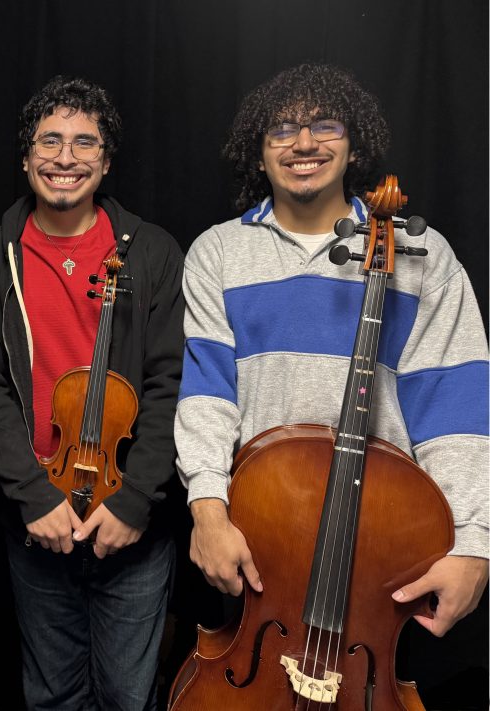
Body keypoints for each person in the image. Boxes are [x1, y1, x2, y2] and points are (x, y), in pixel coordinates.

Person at [177, 62, 488, 637]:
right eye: (282, 129)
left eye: (325, 126)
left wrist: (473, 543)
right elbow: (208, 393)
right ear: (258, 148)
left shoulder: (422, 254)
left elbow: (455, 404)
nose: (303, 143)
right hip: (257, 532)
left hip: (386, 539)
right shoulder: (217, 252)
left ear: (354, 144)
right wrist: (207, 509)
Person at [0, 76, 184, 710]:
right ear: (26, 157)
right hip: (38, 515)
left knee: (128, 693)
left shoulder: (154, 252)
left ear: (106, 162)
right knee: (52, 692)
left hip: (133, 521)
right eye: (49, 141)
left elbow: (172, 384)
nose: (65, 157)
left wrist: (136, 499)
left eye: (85, 143)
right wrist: (32, 497)